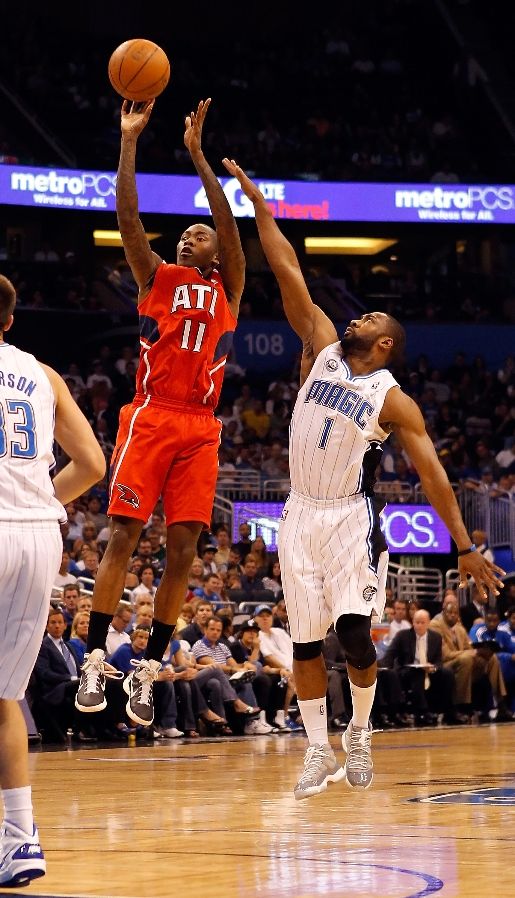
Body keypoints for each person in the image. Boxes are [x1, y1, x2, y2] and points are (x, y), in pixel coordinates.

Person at [223, 160, 505, 799]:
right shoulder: (320, 344)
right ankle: (318, 749)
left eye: (372, 319)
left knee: (352, 635)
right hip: (298, 510)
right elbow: (286, 267)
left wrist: (463, 545)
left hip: (350, 515)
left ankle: (359, 734)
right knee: (302, 643)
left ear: (386, 346)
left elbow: (432, 473)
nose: (358, 319)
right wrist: (256, 202)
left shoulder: (391, 397)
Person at [76, 98, 245, 729]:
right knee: (123, 533)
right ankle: (95, 654)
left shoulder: (228, 286)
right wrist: (129, 142)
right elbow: (128, 218)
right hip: (151, 414)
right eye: (185, 233)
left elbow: (230, 228)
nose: (189, 236)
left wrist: (201, 158)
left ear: (214, 253)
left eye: (196, 235)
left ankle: (147, 667)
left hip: (201, 427)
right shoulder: (158, 276)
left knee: (183, 549)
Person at [0, 274, 105, 887]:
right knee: (4, 694)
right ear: (10, 321)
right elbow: (92, 464)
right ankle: (20, 838)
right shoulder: (44, 374)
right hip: (40, 534)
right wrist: (40, 503)